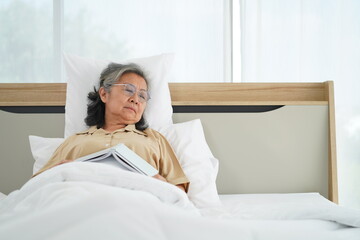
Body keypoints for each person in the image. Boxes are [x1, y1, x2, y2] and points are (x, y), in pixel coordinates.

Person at [34, 63, 189, 192]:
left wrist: (159, 182)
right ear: (104, 94)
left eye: (142, 96)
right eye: (129, 90)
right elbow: (35, 188)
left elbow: (179, 194)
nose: (136, 99)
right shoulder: (74, 141)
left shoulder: (155, 140)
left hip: (139, 207)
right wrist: (60, 172)